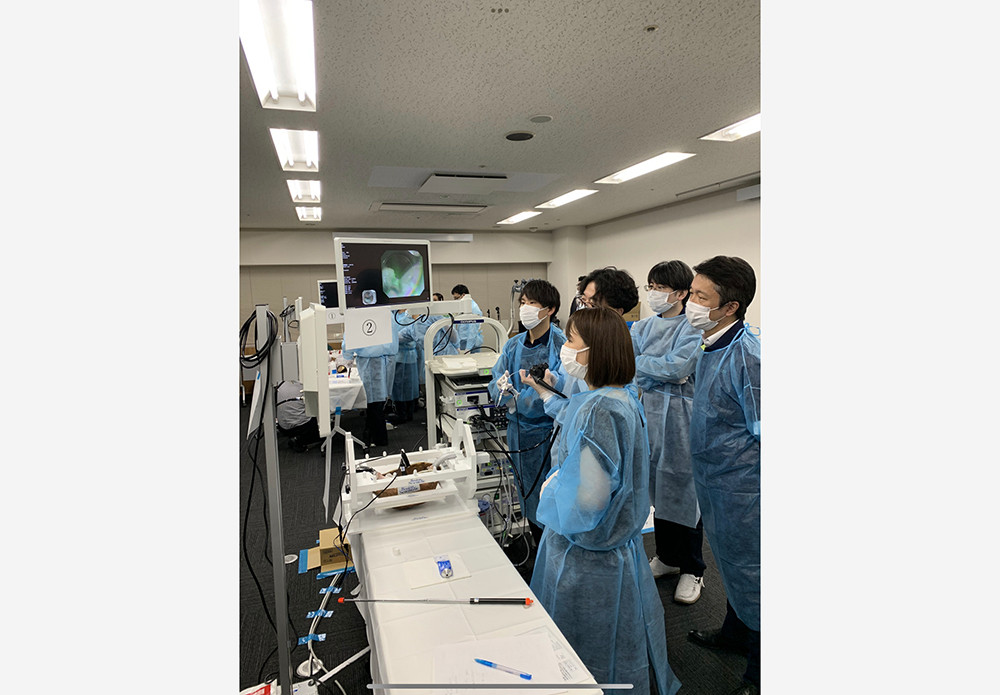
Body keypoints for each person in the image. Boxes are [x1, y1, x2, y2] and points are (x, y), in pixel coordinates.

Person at [525, 307, 681, 695]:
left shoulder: (599, 409)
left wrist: (553, 491)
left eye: (571, 341)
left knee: (585, 651)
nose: (564, 349)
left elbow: (590, 502)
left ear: (595, 350)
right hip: (618, 548)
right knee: (621, 639)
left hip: (588, 554)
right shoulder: (621, 397)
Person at [683, 256, 761, 695]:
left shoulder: (749, 356)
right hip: (716, 482)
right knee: (731, 565)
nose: (690, 303)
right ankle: (735, 633)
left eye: (700, 296)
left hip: (745, 489)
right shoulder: (711, 343)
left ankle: (759, 673)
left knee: (755, 574)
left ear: (730, 306)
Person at [630, 260, 707, 604]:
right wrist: (654, 370)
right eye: (651, 287)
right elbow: (629, 365)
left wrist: (645, 367)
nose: (654, 293)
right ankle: (666, 557)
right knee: (657, 491)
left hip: (680, 420)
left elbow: (678, 368)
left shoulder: (692, 327)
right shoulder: (642, 327)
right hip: (648, 416)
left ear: (680, 293)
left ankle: (693, 568)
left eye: (660, 288)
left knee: (683, 492)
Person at [486, 280, 566, 546]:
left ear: (549, 309)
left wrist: (522, 400)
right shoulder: (513, 345)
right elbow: (496, 379)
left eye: (532, 303)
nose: (525, 308)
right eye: (522, 302)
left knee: (551, 494)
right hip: (518, 430)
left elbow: (559, 389)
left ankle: (553, 550)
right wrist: (502, 389)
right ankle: (538, 544)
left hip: (549, 431)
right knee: (526, 491)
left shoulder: (561, 345)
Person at [342, 322, 398, 447]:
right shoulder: (388, 315)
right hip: (387, 359)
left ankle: (378, 438)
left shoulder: (359, 316)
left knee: (374, 401)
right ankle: (372, 432)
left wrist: (348, 356)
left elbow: (350, 337)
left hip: (372, 361)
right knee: (379, 400)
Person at [389, 309, 420, 423]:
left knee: (407, 386)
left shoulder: (408, 316)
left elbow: (408, 335)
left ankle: (404, 414)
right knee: (398, 386)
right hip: (397, 355)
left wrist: (392, 339)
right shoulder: (394, 313)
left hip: (406, 355)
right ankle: (402, 412)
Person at [276, 379, 321, 452]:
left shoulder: (281, 383)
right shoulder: (306, 386)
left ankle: (296, 437)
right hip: (301, 426)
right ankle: (299, 440)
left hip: (283, 427)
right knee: (324, 428)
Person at [451, 283, 484, 351]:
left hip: (471, 344)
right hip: (462, 342)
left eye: (456, 298)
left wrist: (468, 348)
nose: (455, 300)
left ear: (463, 295)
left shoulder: (473, 308)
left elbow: (473, 330)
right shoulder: (463, 307)